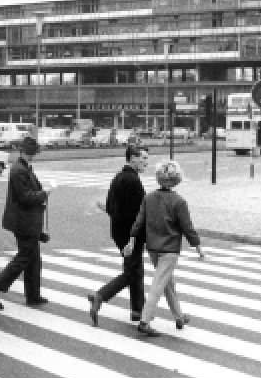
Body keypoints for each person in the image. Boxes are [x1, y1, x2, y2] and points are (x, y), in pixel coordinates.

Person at [125, 160, 205, 338]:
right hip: (169, 250)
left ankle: (179, 317)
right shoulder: (179, 201)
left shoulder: (149, 198)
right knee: (158, 285)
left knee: (168, 284)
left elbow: (139, 222)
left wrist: (131, 239)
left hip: (153, 247)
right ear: (177, 180)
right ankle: (144, 321)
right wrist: (198, 246)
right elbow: (187, 227)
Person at [0, 135, 53, 310]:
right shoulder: (19, 170)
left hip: (27, 220)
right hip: (24, 221)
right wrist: (44, 193)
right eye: (30, 153)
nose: (32, 156)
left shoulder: (24, 167)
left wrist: (41, 193)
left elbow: (28, 193)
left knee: (33, 259)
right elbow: (25, 197)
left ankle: (33, 295)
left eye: (33, 153)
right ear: (22, 152)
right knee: (24, 257)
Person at [88, 144, 149, 325]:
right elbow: (138, 213)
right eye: (143, 158)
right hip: (130, 234)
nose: (146, 162)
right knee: (132, 272)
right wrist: (138, 235)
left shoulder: (118, 177)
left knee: (135, 269)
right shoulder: (132, 180)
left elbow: (111, 207)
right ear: (132, 159)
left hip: (119, 232)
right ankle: (100, 295)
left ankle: (138, 311)